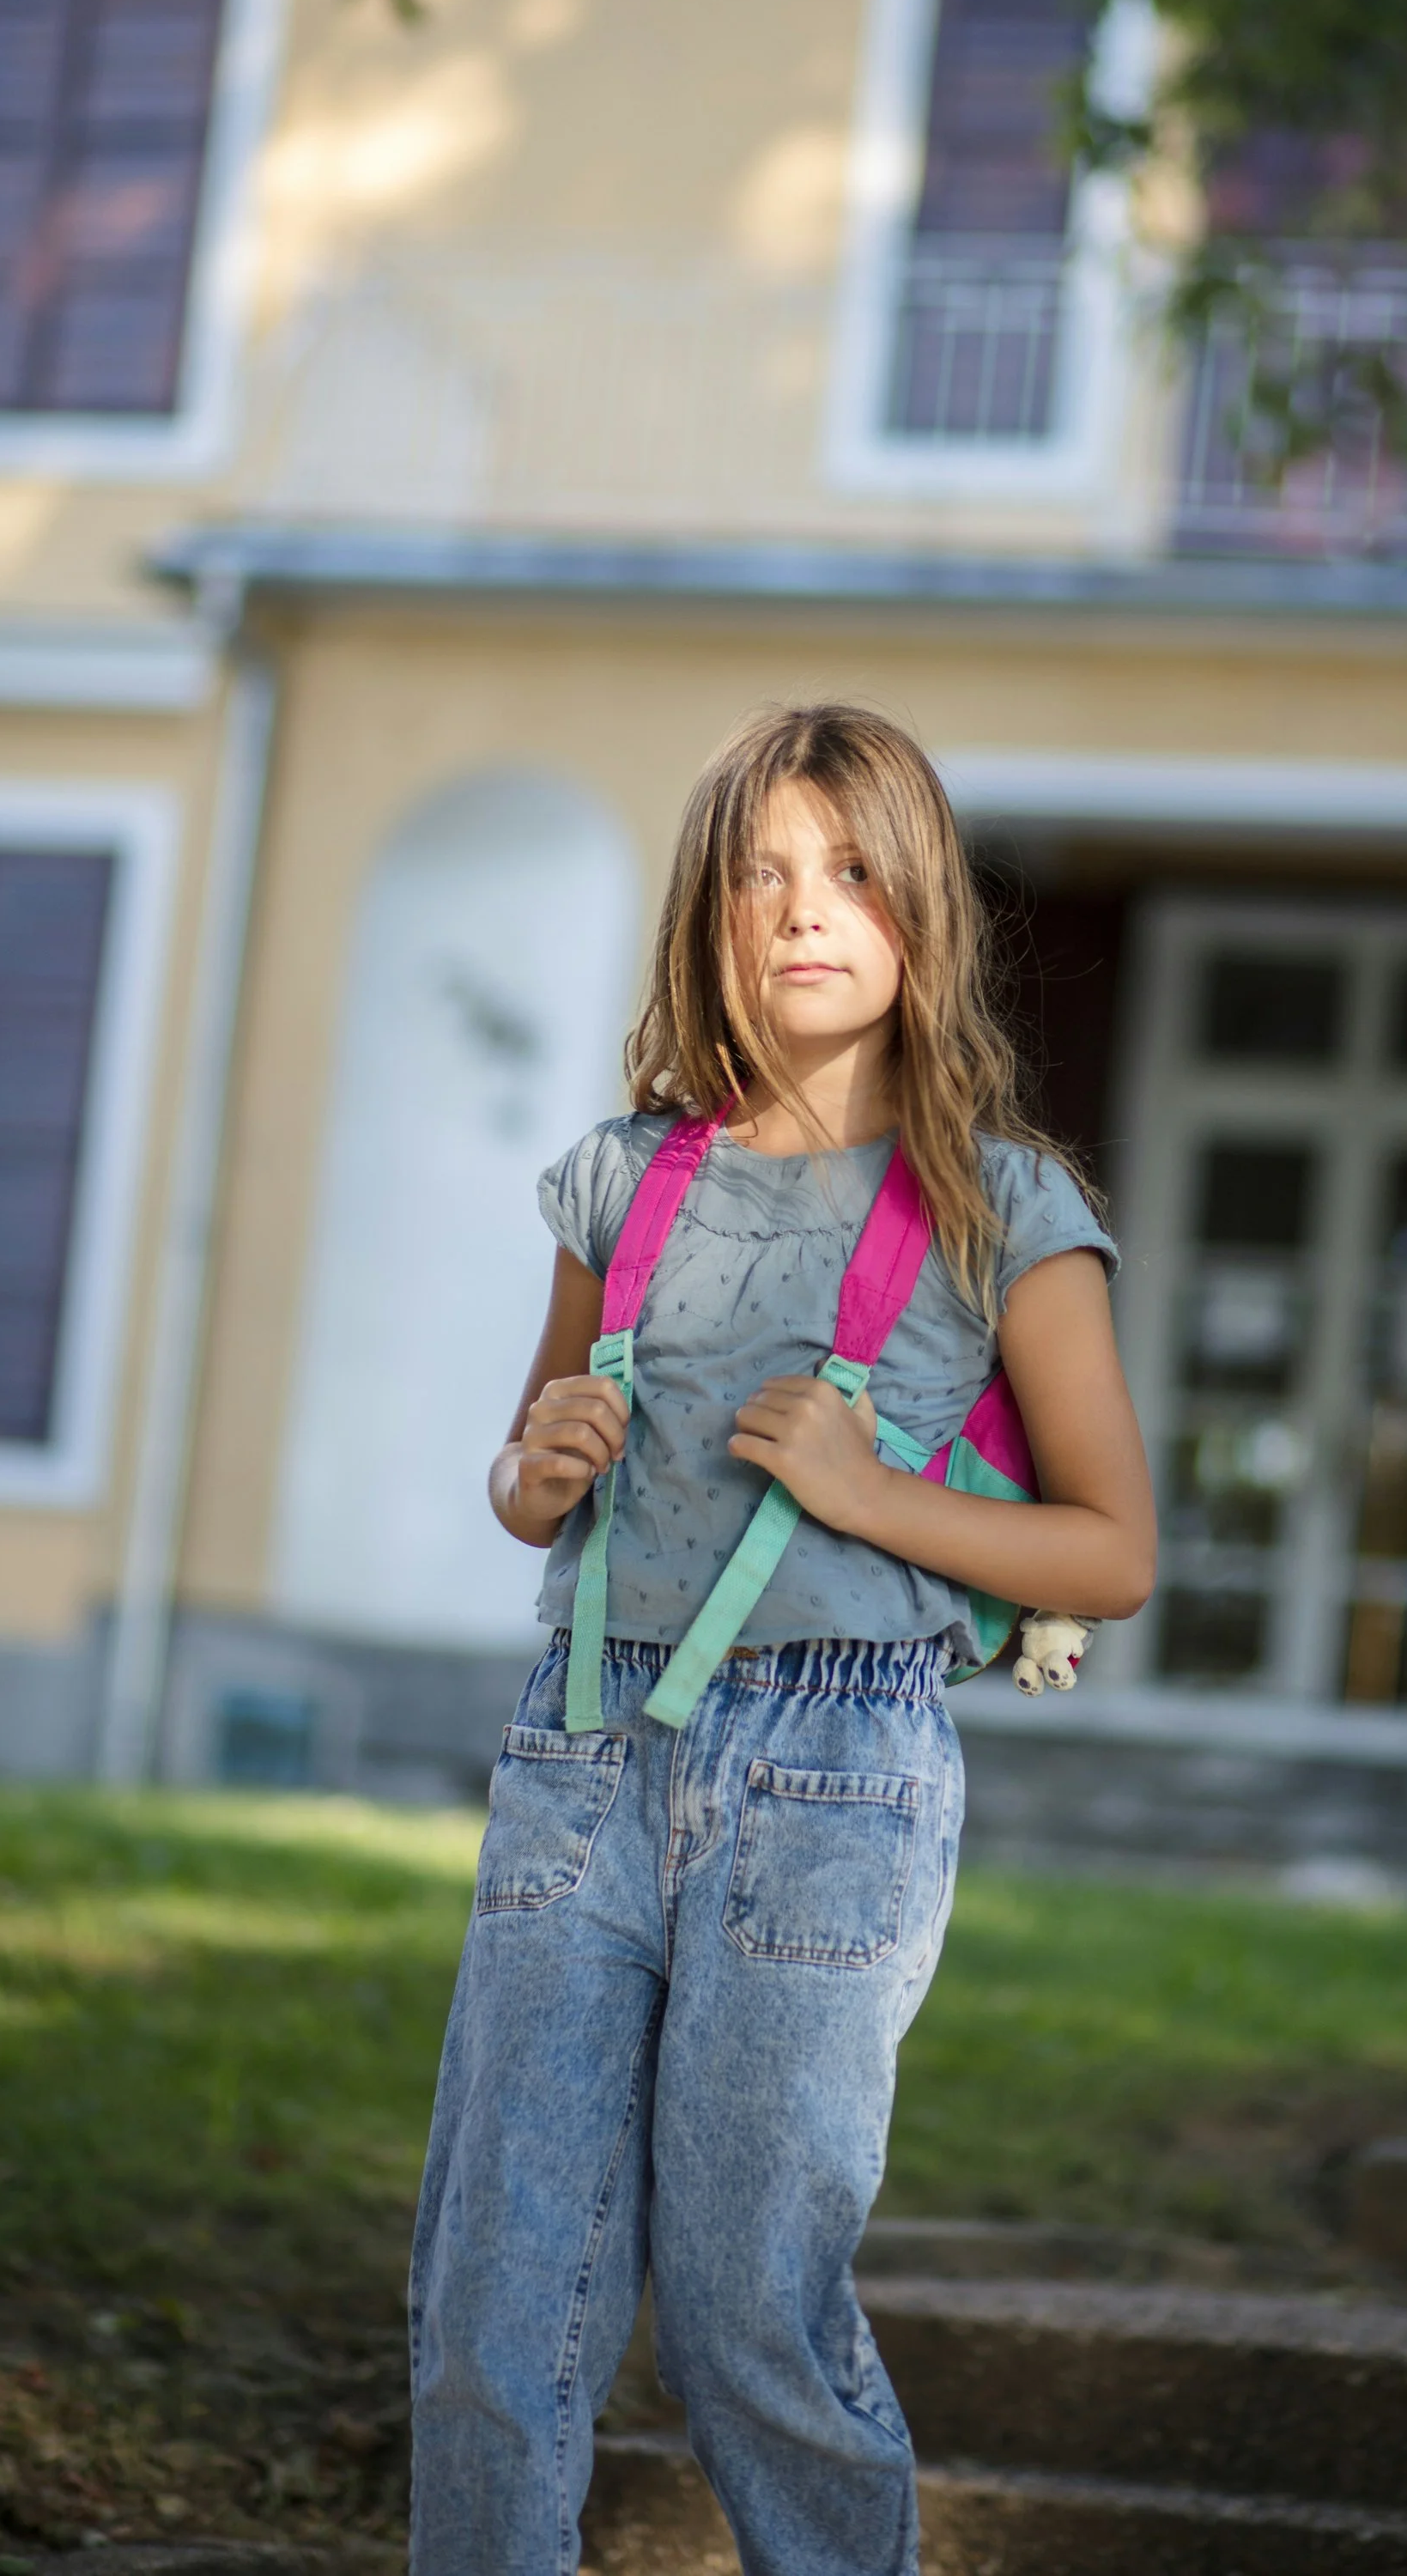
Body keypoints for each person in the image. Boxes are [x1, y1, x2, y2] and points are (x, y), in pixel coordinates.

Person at [408, 701, 1155, 2576]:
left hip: (833, 1786)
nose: (795, 911)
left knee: (755, 2313)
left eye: (841, 871)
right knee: (497, 2302)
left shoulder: (1007, 1213)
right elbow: (530, 1477)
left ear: (917, 912)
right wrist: (534, 1462)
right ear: (704, 916)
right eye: (754, 876)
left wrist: (866, 1489)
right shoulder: (626, 1179)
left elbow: (1111, 1550)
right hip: (580, 1764)